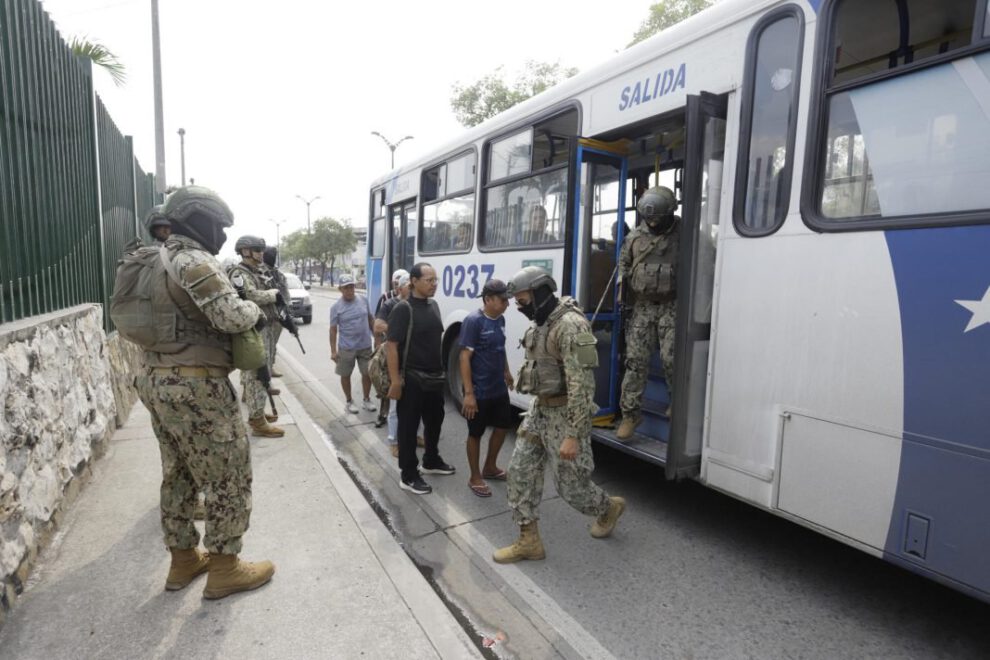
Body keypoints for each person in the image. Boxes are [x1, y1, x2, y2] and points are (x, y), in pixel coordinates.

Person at [132, 185, 274, 599]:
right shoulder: (193, 259)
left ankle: (183, 560)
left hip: (156, 377)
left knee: (177, 473)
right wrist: (252, 307)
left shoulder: (150, 259)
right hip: (195, 384)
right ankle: (225, 568)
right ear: (196, 219)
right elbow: (231, 316)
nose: (222, 235)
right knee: (228, 473)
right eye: (217, 225)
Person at [493, 266, 625, 563]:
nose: (519, 306)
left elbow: (582, 384)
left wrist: (573, 435)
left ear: (540, 292)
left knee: (572, 489)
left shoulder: (571, 326)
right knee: (520, 471)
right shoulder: (542, 322)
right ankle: (529, 541)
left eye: (523, 299)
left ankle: (607, 508)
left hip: (567, 415)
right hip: (541, 409)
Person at [615, 186, 680, 441]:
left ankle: (677, 403)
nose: (652, 223)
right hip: (642, 308)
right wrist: (623, 291)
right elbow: (624, 264)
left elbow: (706, 262)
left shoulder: (685, 234)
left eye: (657, 219)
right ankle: (631, 415)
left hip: (672, 306)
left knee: (672, 358)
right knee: (635, 362)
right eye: (648, 218)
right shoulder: (634, 238)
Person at [386, 262, 455, 494]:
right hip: (412, 379)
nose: (434, 284)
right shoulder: (403, 309)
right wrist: (396, 381)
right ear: (414, 282)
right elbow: (392, 346)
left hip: (435, 378)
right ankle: (408, 474)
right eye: (429, 280)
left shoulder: (433, 306)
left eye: (435, 280)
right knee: (408, 428)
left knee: (435, 421)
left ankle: (431, 461)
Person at [458, 279, 514, 497]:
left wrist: (506, 371)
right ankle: (474, 476)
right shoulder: (474, 321)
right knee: (475, 433)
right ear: (488, 299)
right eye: (502, 300)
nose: (507, 304)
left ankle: (490, 467)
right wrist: (469, 394)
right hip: (479, 391)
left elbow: (500, 348)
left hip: (498, 388)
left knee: (502, 427)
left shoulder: (500, 319)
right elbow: (464, 358)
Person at [229, 236, 285, 438]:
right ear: (245, 251)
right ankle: (257, 420)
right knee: (257, 375)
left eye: (261, 250)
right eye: (256, 250)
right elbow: (247, 295)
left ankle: (258, 412)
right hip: (254, 329)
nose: (261, 254)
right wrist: (272, 294)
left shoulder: (254, 271)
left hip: (265, 327)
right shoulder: (239, 273)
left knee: (262, 372)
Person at [330, 273, 377, 414]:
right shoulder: (336, 307)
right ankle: (349, 401)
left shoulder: (363, 300)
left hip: (365, 346)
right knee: (346, 375)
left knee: (367, 374)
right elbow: (333, 330)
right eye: (346, 288)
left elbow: (370, 319)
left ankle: (366, 400)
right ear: (340, 289)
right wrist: (333, 351)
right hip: (346, 348)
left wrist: (377, 338)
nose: (349, 290)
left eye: (351, 287)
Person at [262, 246, 290, 377]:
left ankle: (270, 368)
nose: (272, 256)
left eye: (274, 254)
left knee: (273, 344)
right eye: (270, 254)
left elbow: (285, 292)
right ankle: (260, 376)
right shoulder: (259, 272)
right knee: (262, 348)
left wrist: (287, 311)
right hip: (264, 317)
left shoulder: (278, 274)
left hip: (278, 316)